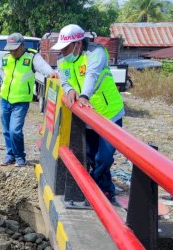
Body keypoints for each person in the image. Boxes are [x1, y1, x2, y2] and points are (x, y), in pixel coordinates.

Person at [52, 24, 125, 204]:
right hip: (86, 116)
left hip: (109, 115)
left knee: (104, 158)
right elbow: (65, 80)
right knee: (92, 156)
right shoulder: (63, 61)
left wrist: (84, 95)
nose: (63, 51)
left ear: (77, 43)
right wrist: (69, 90)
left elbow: (92, 74)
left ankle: (93, 186)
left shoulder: (95, 52)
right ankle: (106, 191)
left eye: (66, 47)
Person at [0, 33, 56, 167]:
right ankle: (10, 155)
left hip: (21, 101)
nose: (12, 52)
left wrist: (52, 73)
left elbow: (44, 67)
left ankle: (20, 157)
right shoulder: (6, 58)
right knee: (6, 130)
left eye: (15, 49)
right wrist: (4, 84)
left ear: (22, 46)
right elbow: (2, 71)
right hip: (4, 99)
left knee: (15, 130)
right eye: (10, 49)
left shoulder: (32, 57)